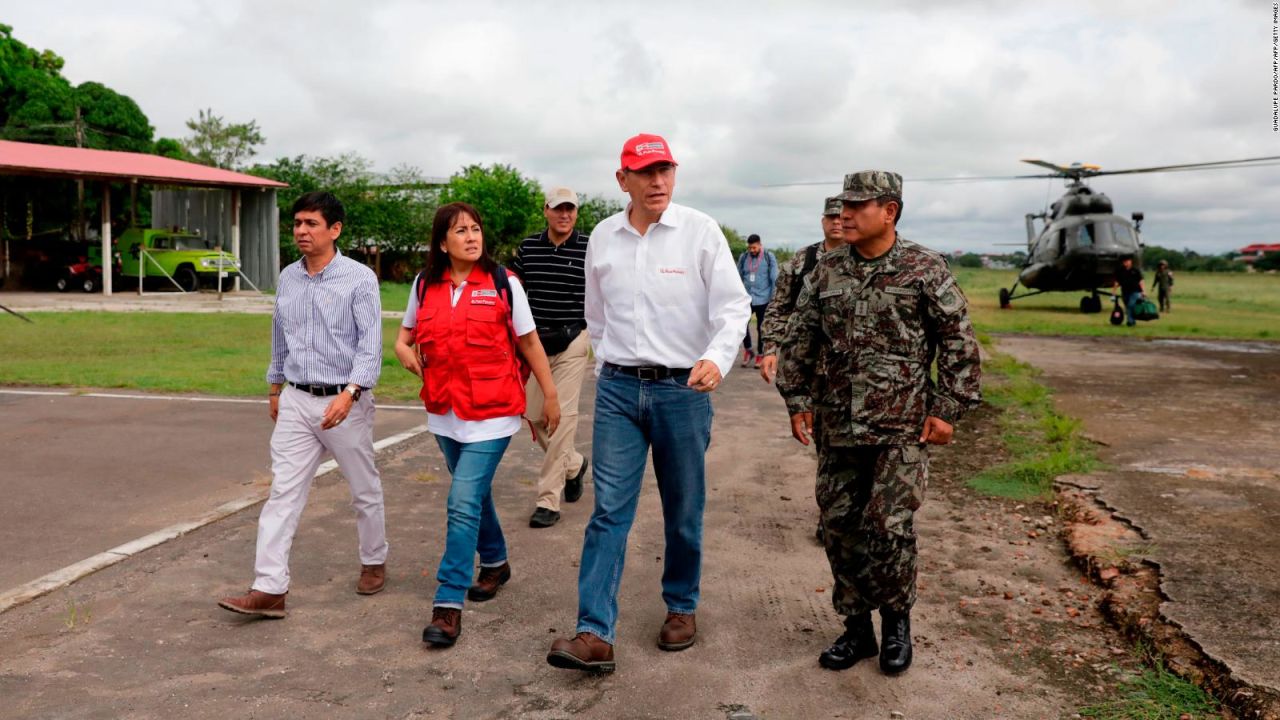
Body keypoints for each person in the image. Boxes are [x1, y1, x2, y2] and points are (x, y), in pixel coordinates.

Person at [546, 133, 751, 674]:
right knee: (609, 511)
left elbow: (734, 308)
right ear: (623, 180)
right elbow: (596, 313)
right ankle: (594, 631)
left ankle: (680, 606)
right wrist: (608, 361)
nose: (658, 181)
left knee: (683, 509)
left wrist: (716, 357)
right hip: (617, 390)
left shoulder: (700, 232)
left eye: (665, 170)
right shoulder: (604, 239)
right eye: (645, 172)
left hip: (682, 391)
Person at [777, 170, 982, 676]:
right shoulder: (826, 270)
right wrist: (797, 398)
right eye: (842, 205)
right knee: (840, 526)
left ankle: (896, 624)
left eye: (857, 205)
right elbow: (800, 338)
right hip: (838, 424)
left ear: (889, 211)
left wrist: (947, 408)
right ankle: (856, 630)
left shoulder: (923, 268)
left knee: (889, 527)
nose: (844, 214)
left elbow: (958, 341)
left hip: (901, 427)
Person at [392, 201, 561, 648]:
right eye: (460, 230)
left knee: (462, 500)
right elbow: (404, 336)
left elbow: (529, 342)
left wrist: (552, 395)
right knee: (475, 495)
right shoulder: (424, 285)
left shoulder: (505, 284)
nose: (471, 236)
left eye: (476, 228)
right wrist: (404, 352)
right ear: (442, 242)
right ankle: (497, 562)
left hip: (494, 413)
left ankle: (447, 606)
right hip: (444, 412)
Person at [219, 191, 386, 619]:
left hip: (345, 401)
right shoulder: (288, 277)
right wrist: (275, 387)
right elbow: (280, 334)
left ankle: (373, 559)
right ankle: (269, 588)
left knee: (363, 490)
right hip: (296, 398)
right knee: (283, 493)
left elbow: (370, 347)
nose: (301, 231)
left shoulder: (359, 278)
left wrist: (350, 394)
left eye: (311, 223)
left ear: (335, 229)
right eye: (297, 223)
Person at [511, 186, 592, 529]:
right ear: (546, 210)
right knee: (533, 415)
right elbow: (513, 290)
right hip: (537, 341)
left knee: (562, 417)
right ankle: (573, 465)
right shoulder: (529, 247)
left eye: (570, 209)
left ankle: (548, 500)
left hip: (574, 338)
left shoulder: (590, 247)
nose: (565, 215)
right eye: (558, 209)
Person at [758, 197, 844, 384]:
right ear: (823, 222)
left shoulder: (862, 259)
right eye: (831, 217)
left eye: (840, 217)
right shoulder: (802, 259)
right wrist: (770, 350)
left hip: (845, 366)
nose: (836, 222)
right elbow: (779, 305)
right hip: (804, 360)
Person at [737, 233, 778, 368]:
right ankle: (748, 350)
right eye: (750, 248)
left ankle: (760, 354)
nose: (751, 250)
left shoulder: (768, 256)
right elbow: (738, 276)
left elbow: (774, 278)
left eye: (754, 248)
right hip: (747, 298)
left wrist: (773, 298)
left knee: (762, 328)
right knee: (741, 325)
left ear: (760, 245)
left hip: (764, 298)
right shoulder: (744, 257)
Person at [1112, 256, 1146, 327]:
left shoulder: (1135, 270)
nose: (1126, 263)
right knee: (1128, 307)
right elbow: (1117, 281)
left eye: (1127, 261)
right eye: (1124, 262)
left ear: (1131, 262)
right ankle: (1132, 321)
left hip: (1135, 291)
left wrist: (1143, 291)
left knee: (1130, 305)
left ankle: (1130, 322)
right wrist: (1114, 291)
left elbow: (1141, 281)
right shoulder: (1120, 271)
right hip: (1125, 292)